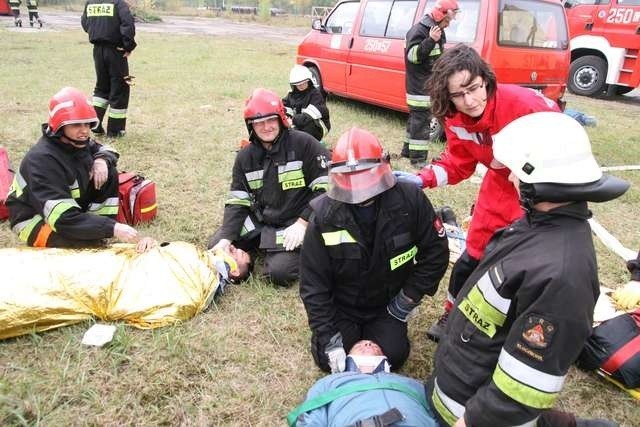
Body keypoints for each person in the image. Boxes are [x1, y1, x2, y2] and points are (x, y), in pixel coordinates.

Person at [427, 112, 627, 427]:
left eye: (518, 173)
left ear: (541, 181)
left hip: (472, 415)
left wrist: (470, 421)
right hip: (460, 389)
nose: (510, 178)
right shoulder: (536, 226)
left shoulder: (562, 276)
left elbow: (523, 388)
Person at [394, 44, 560, 341]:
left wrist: (529, 170)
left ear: (486, 79)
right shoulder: (454, 117)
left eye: (473, 88)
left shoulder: (525, 105)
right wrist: (422, 179)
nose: (469, 100)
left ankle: (514, 328)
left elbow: (564, 142)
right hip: (497, 187)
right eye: (458, 94)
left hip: (539, 192)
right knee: (473, 255)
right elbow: (459, 162)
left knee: (522, 266)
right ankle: (452, 313)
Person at [300, 127, 449, 373]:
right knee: (327, 358)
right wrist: (327, 335)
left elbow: (435, 253)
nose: (358, 185)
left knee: (394, 355)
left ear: (383, 165)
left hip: (387, 304)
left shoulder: (410, 201)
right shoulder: (325, 216)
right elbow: (313, 284)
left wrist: (406, 301)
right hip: (343, 305)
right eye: (350, 175)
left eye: (364, 172)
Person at [0, 241, 253, 340]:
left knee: (55, 285)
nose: (231, 246)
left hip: (113, 284)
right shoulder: (197, 254)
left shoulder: (203, 282)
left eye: (236, 253)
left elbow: (172, 302)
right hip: (116, 263)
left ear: (233, 272)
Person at [208, 88, 330, 287]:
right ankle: (255, 250)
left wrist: (303, 222)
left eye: (270, 120)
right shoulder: (245, 157)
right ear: (251, 126)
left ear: (281, 118)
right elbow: (237, 201)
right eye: (259, 123)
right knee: (216, 244)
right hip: (261, 221)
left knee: (278, 273)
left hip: (294, 224)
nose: (266, 127)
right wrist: (226, 238)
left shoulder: (305, 144)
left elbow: (324, 191)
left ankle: (293, 249)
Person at [6, 86, 140, 249]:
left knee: (108, 169)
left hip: (64, 209)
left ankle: (96, 227)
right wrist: (113, 228)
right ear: (60, 127)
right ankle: (95, 230)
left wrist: (102, 161)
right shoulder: (42, 160)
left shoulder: (76, 142)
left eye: (87, 124)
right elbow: (62, 218)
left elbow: (107, 150)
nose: (84, 131)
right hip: (33, 218)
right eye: (76, 125)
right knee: (86, 246)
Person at [289, 340, 438, 427]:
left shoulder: (411, 384)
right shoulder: (329, 383)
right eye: (360, 345)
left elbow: (439, 413)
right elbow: (310, 418)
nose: (367, 343)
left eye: (374, 345)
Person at [401, 0, 459, 167]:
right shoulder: (419, 31)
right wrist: (430, 41)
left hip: (428, 84)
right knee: (421, 122)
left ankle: (407, 151)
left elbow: (436, 56)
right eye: (447, 21)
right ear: (440, 16)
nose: (448, 24)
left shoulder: (437, 30)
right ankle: (418, 160)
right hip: (419, 87)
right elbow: (412, 57)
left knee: (415, 120)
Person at [81, 0, 136, 138]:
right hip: (116, 51)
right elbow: (127, 24)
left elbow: (85, 23)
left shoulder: (91, 3)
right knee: (120, 88)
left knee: (101, 88)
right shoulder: (118, 3)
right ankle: (115, 131)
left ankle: (94, 124)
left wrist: (99, 33)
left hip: (98, 50)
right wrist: (127, 46)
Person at [283, 65, 331, 144]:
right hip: (299, 124)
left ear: (309, 81)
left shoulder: (316, 95)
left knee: (305, 128)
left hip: (318, 126)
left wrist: (293, 121)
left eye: (303, 83)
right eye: (298, 84)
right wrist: (285, 117)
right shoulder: (292, 95)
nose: (301, 86)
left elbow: (307, 117)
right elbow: (284, 108)